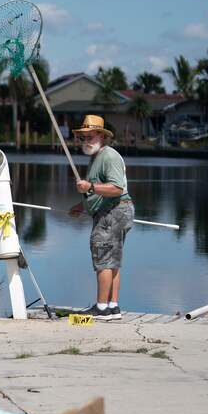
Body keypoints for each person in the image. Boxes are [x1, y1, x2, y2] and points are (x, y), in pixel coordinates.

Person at [69, 115, 134, 321]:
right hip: (115, 211)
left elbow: (116, 188)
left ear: (102, 136)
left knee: (103, 258)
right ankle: (113, 307)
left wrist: (90, 186)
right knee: (112, 260)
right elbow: (99, 190)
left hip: (113, 212)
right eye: (83, 137)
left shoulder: (109, 156)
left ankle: (102, 308)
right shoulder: (97, 157)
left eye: (90, 136)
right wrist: (83, 205)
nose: (86, 141)